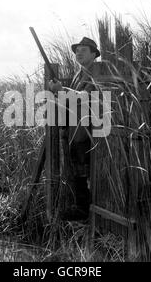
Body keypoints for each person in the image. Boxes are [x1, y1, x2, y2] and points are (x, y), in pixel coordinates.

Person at [48, 37, 104, 221]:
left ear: (94, 54)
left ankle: (85, 211)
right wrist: (58, 93)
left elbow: (85, 97)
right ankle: (81, 209)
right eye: (77, 50)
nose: (78, 53)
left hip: (88, 129)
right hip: (74, 128)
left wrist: (61, 89)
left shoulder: (96, 72)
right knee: (76, 171)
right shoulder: (78, 74)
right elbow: (70, 101)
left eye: (84, 50)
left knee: (86, 171)